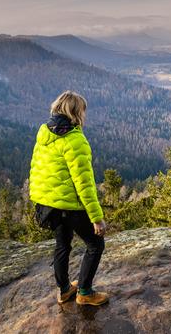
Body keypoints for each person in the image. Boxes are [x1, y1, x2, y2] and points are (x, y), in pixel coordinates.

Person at [29, 90, 109, 306]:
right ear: (76, 112)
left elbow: (37, 170)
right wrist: (96, 217)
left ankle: (64, 290)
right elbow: (84, 184)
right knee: (95, 245)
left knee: (62, 245)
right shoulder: (75, 140)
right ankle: (84, 292)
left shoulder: (45, 133)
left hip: (48, 204)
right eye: (83, 111)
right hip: (70, 205)